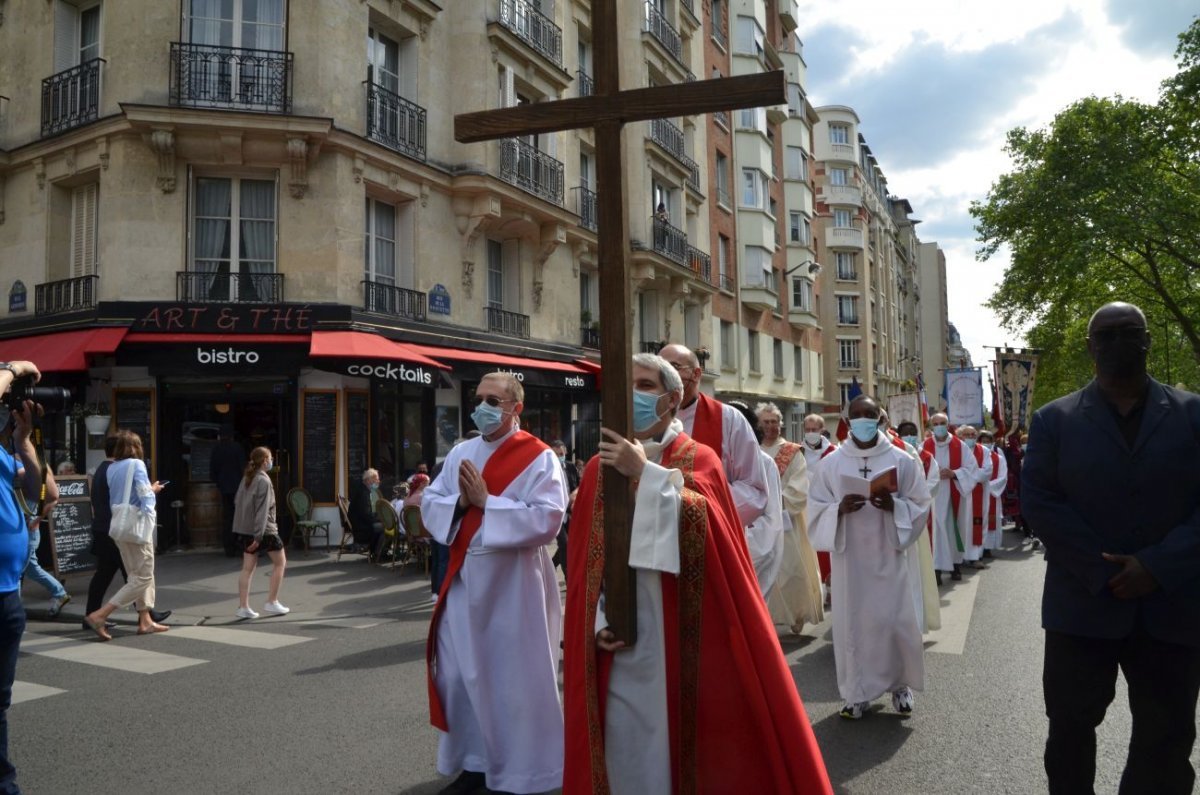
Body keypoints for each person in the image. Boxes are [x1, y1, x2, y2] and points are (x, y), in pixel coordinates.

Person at [562, 354, 832, 793]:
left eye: (645, 385)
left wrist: (644, 475)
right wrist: (593, 625)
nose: (634, 394)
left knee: (684, 750)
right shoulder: (596, 468)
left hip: (682, 634)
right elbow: (582, 567)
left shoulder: (699, 459)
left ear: (671, 399)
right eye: (627, 383)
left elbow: (711, 534)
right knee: (623, 754)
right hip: (618, 641)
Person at [1023, 301, 1200, 794]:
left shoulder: (1193, 415)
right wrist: (1104, 573)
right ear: (1090, 347)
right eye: (1108, 334)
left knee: (1166, 739)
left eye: (1130, 332)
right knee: (1070, 735)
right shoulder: (1053, 420)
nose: (1119, 342)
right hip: (1082, 605)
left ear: (1147, 339)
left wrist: (1156, 566)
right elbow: (1040, 502)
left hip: (1172, 605)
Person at [421, 373, 568, 795]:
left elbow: (548, 518)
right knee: (460, 676)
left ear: (515, 408)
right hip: (466, 581)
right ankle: (474, 764)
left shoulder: (539, 457)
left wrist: (490, 503)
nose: (483, 405)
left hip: (515, 585)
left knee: (512, 681)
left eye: (494, 399)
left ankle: (524, 773)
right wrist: (463, 502)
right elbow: (432, 502)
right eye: (479, 397)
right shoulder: (462, 452)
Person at [808, 394, 933, 720]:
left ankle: (899, 685)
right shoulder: (831, 464)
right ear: (848, 421)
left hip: (889, 554)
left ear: (879, 418)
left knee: (893, 621)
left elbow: (920, 504)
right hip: (850, 560)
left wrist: (896, 507)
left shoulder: (902, 460)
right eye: (857, 414)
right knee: (853, 627)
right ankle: (855, 693)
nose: (864, 419)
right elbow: (815, 509)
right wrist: (838, 510)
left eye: (870, 414)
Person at [658, 343, 768, 528]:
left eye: (674, 367)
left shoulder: (728, 418)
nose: (665, 376)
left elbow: (754, 491)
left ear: (696, 374)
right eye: (660, 368)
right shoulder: (647, 417)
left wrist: (694, 508)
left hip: (709, 532)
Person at [0, 360, 47, 793]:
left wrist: (23, 440)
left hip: (8, 597)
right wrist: (13, 367)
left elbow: (38, 489)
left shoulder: (1, 452)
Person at [83, 430, 167, 641]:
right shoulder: (137, 465)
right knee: (143, 577)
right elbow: (144, 495)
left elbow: (119, 497)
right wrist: (152, 502)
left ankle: (145, 621)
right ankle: (100, 615)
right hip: (137, 528)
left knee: (135, 574)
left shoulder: (111, 469)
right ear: (136, 447)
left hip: (119, 528)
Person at [756, 402, 824, 631]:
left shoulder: (792, 452)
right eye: (765, 422)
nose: (770, 426)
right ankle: (767, 616)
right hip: (757, 521)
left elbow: (799, 485)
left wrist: (774, 504)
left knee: (792, 570)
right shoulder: (751, 448)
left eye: (774, 422)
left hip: (787, 519)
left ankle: (796, 613)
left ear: (780, 425)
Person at [727, 401, 785, 596]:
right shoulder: (713, 459)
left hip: (751, 553)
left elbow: (772, 520)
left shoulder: (764, 463)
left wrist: (742, 543)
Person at [922, 412, 978, 582]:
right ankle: (936, 569)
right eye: (936, 423)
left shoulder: (960, 446)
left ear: (948, 424)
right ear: (932, 426)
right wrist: (932, 476)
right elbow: (916, 469)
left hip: (955, 492)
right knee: (936, 531)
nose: (939, 426)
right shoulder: (924, 445)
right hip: (933, 495)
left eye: (942, 423)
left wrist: (954, 473)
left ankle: (955, 566)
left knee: (955, 530)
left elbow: (972, 468)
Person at [232, 447, 288, 619]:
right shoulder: (264, 481)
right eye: (270, 458)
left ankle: (243, 607)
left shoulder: (247, 478)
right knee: (280, 563)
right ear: (264, 461)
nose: (272, 461)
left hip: (245, 529)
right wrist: (258, 536)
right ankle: (272, 601)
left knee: (247, 568)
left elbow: (237, 502)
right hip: (265, 529)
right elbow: (262, 510)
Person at [19, 465, 68, 618]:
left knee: (17, 571)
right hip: (26, 532)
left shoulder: (35, 478)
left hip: (28, 533)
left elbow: (53, 499)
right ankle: (60, 594)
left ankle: (12, 608)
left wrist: (37, 520)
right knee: (31, 569)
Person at [954, 425, 992, 569]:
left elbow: (987, 472)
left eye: (973, 435)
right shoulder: (956, 450)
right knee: (961, 524)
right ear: (960, 436)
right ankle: (960, 557)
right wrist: (965, 474)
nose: (971, 437)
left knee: (978, 523)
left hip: (978, 494)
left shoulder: (984, 451)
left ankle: (976, 556)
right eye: (967, 435)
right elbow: (952, 470)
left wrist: (964, 474)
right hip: (960, 492)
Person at [209, 425, 244, 558]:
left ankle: (229, 548)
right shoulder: (237, 448)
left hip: (224, 488)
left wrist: (219, 483)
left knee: (227, 517)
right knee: (240, 516)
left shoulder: (216, 449)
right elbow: (243, 468)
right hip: (238, 488)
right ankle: (241, 544)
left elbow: (212, 472)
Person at [550, 439, 580, 577]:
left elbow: (579, 485)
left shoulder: (571, 467)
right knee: (564, 543)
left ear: (566, 452)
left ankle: (551, 564)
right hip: (556, 512)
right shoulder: (548, 469)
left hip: (570, 512)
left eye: (561, 453)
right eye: (556, 454)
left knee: (570, 544)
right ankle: (569, 578)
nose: (560, 456)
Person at [977, 430, 1007, 557]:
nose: (986, 444)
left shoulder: (998, 458)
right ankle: (976, 547)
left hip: (991, 494)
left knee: (989, 519)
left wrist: (987, 486)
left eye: (988, 442)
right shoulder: (973, 456)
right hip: (976, 494)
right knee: (976, 520)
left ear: (992, 443)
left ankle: (987, 548)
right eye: (983, 442)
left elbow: (1003, 477)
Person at [347, 468, 384, 556]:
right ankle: (377, 553)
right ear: (369, 480)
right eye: (376, 479)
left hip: (360, 524)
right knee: (385, 527)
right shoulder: (363, 494)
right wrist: (381, 519)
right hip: (361, 529)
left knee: (383, 525)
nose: (378, 481)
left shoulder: (363, 490)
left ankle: (377, 552)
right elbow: (366, 515)